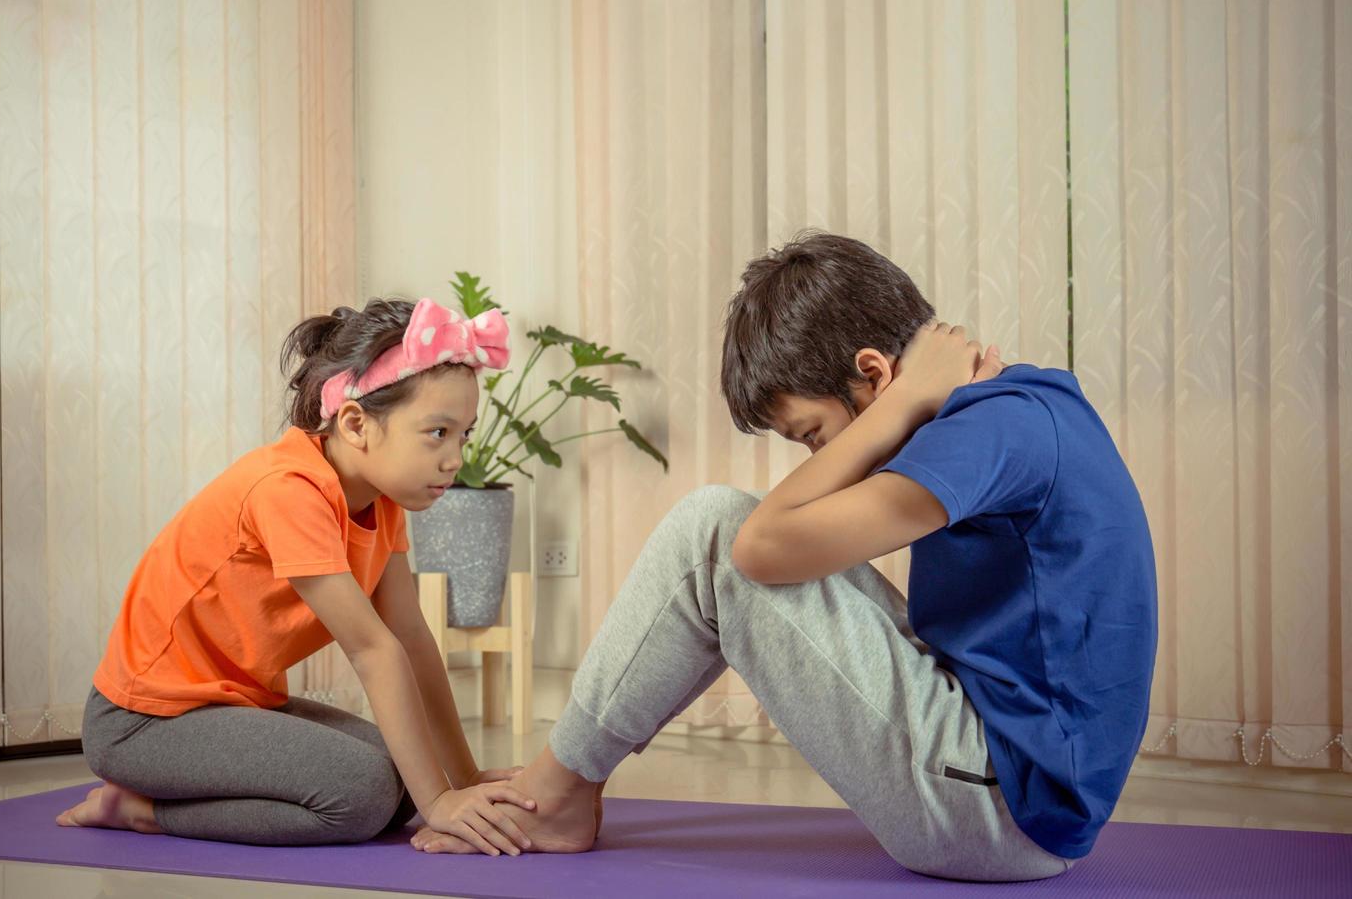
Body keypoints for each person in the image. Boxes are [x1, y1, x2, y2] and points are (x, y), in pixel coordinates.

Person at [413, 231, 1157, 882]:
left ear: (874, 373)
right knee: (728, 531)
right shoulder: (1021, 410)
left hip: (999, 814)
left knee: (713, 531)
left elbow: (759, 549)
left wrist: (897, 410)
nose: (822, 454)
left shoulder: (994, 431)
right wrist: (899, 406)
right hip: (1011, 787)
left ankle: (555, 794)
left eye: (810, 433)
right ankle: (564, 778)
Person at [56, 297, 537, 856]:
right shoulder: (289, 489)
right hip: (144, 722)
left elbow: (411, 639)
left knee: (403, 780)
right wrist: (440, 804)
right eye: (437, 433)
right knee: (361, 794)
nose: (454, 458)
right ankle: (141, 810)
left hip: (238, 704)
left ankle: (163, 801)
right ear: (356, 424)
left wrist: (463, 778)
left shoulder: (382, 502)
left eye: (463, 436)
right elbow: (374, 650)